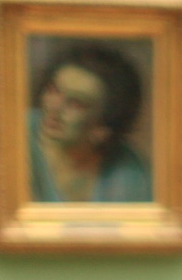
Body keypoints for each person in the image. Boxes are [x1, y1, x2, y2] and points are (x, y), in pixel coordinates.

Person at [28, 42, 151, 203]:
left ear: (102, 128)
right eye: (54, 90)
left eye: (76, 103)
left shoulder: (129, 172)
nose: (53, 107)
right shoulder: (16, 137)